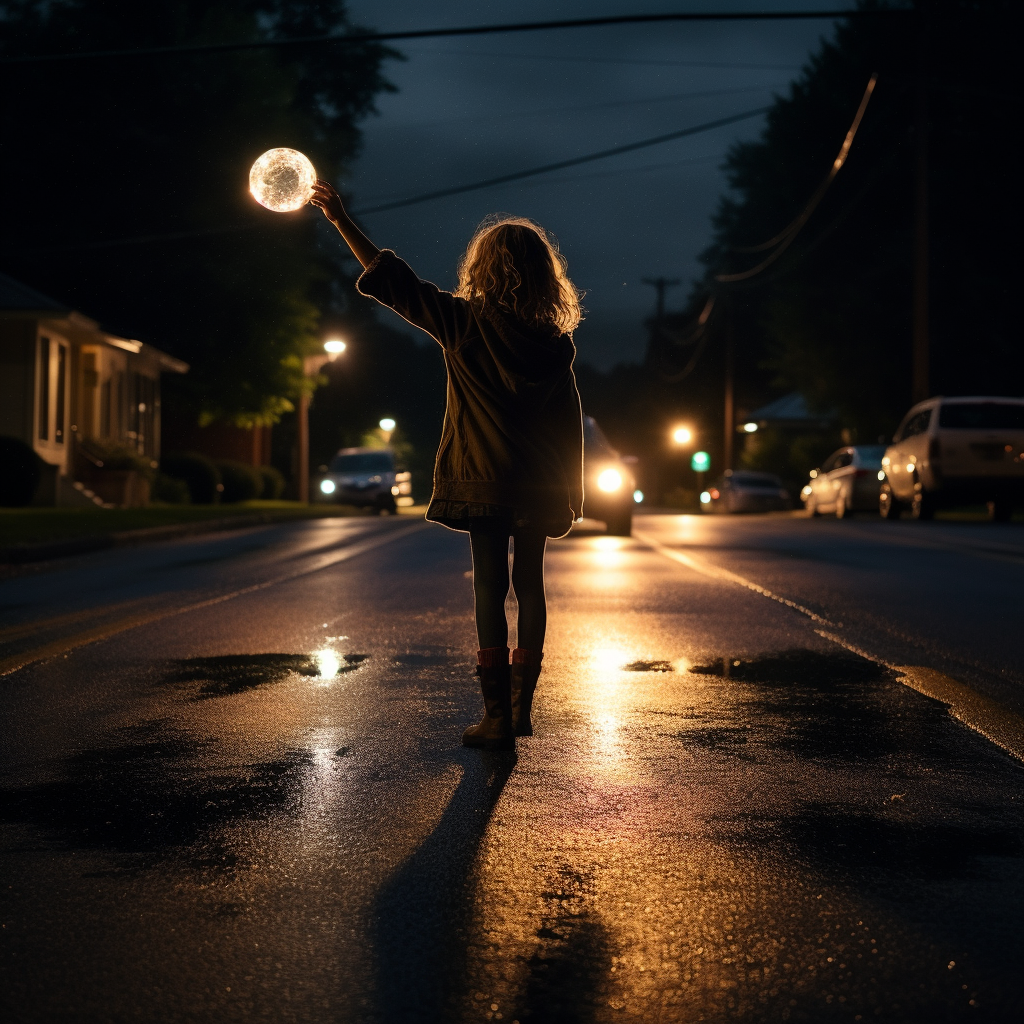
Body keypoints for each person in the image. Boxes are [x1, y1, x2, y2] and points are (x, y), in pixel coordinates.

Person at [310, 180, 584, 751]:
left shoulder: (464, 325)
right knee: (529, 586)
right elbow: (569, 423)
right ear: (542, 277)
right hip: (538, 485)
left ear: (483, 269)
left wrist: (340, 219)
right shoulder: (555, 347)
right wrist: (572, 492)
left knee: (489, 585)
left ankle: (495, 716)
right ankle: (521, 707)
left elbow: (395, 281)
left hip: (482, 479)